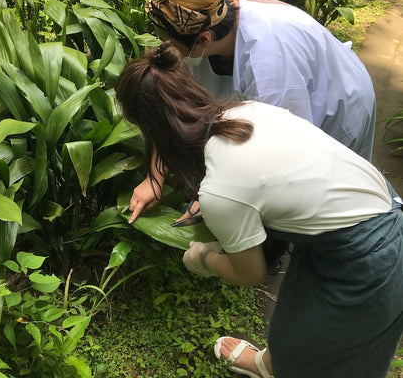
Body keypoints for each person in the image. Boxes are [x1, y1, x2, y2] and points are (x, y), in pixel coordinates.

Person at [115, 42, 403, 378]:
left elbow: (252, 274)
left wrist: (202, 258)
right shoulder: (247, 110)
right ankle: (268, 364)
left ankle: (282, 366)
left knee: (318, 356)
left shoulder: (220, 191)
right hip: (373, 210)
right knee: (297, 330)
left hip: (370, 260)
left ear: (151, 129)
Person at [129, 0, 376, 223]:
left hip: (338, 103)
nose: (166, 49)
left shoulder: (269, 68)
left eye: (171, 44)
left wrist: (213, 197)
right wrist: (154, 178)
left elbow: (285, 153)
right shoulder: (217, 12)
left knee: (330, 198)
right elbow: (172, 101)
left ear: (203, 41)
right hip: (296, 89)